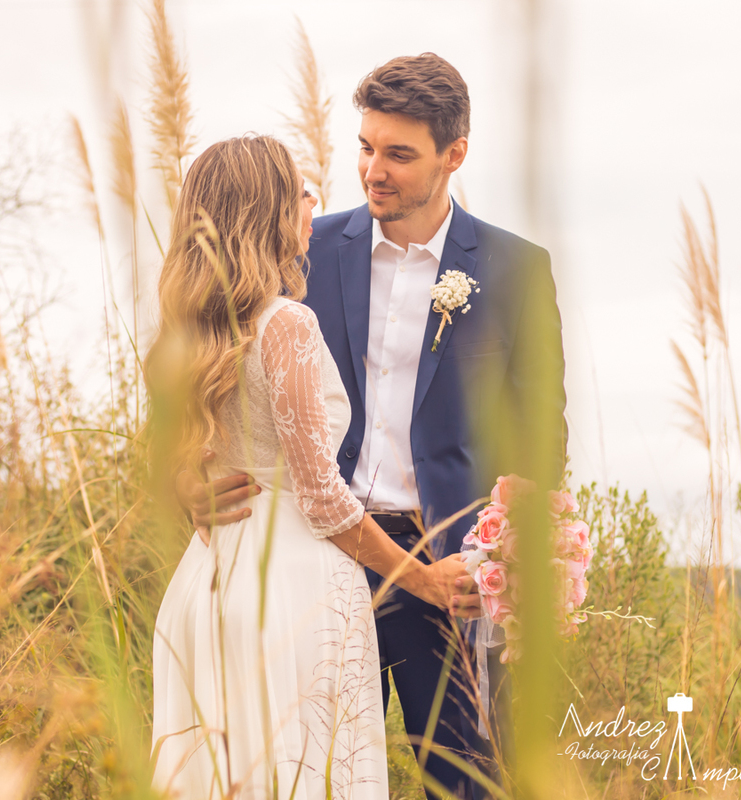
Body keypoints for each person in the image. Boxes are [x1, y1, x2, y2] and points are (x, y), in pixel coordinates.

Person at [181, 54, 567, 799]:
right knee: (303, 773)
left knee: (460, 784)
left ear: (455, 154)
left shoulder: (517, 270)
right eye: (365, 146)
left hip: (445, 569)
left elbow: (542, 442)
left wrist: (506, 558)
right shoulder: (300, 244)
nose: (372, 170)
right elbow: (207, 369)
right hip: (309, 559)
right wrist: (184, 477)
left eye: (398, 154)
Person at [147, 135, 476, 799]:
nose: (315, 203)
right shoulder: (285, 325)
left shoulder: (185, 332)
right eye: (299, 191)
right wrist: (426, 582)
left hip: (204, 586)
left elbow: (167, 462)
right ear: (264, 208)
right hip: (292, 589)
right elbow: (322, 500)